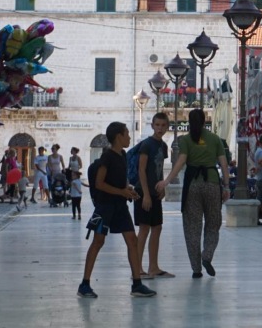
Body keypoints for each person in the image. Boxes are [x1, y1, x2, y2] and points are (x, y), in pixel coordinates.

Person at [78, 122, 156, 298]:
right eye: (127, 134)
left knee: (132, 241)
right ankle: (84, 284)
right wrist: (121, 191)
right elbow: (99, 183)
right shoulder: (107, 157)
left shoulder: (122, 154)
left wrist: (128, 190)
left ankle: (137, 284)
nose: (129, 137)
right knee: (98, 242)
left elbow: (119, 181)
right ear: (119, 137)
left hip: (120, 206)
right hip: (105, 207)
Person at [159, 109, 227, 279]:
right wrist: (226, 187)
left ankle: (196, 269)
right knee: (213, 223)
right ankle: (207, 255)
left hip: (193, 186)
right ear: (205, 121)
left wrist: (166, 181)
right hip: (212, 183)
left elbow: (181, 161)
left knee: (192, 227)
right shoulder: (215, 139)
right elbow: (224, 165)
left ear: (189, 121)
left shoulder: (186, 140)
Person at [134, 113, 174, 280]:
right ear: (152, 126)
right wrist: (146, 195)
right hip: (144, 192)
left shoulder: (163, 146)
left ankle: (153, 267)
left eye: (163, 125)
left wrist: (162, 185)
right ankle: (136, 269)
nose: (160, 128)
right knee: (144, 229)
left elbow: (159, 167)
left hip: (155, 192)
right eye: (157, 125)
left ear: (167, 127)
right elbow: (141, 170)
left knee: (157, 228)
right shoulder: (146, 145)